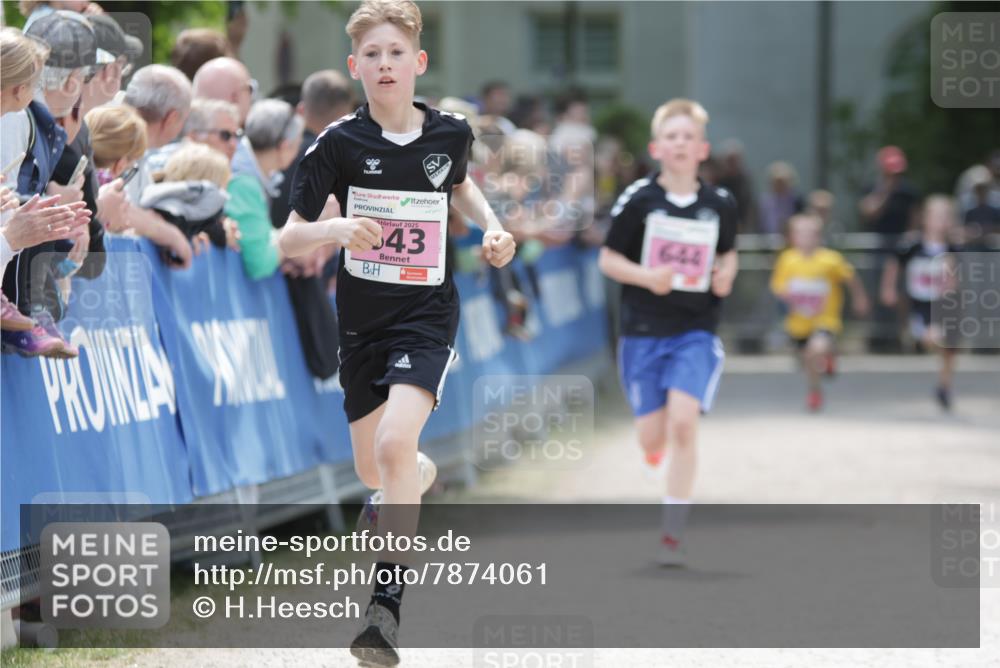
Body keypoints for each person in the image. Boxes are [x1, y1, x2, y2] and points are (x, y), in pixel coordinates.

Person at [279, 1, 515, 663]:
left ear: (419, 62)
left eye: (395, 53)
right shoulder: (338, 145)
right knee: (375, 465)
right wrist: (334, 228)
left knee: (391, 442)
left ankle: (384, 609)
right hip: (360, 324)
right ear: (355, 68)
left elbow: (461, 189)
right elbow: (288, 234)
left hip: (426, 315)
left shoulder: (451, 133)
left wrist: (492, 226)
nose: (384, 65)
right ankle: (413, 475)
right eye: (371, 56)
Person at [598, 98, 738, 568]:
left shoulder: (719, 204)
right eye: (672, 137)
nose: (680, 144)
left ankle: (673, 530)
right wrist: (647, 277)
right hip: (642, 332)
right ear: (658, 147)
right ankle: (653, 453)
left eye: (688, 137)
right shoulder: (638, 199)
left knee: (684, 423)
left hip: (695, 329)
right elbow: (608, 259)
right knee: (651, 438)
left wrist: (725, 274)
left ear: (702, 149)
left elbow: (729, 253)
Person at [770, 213, 869, 411]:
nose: (805, 238)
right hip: (798, 323)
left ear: (818, 236)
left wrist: (860, 299)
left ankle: (815, 390)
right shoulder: (787, 259)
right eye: (800, 234)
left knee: (815, 349)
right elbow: (778, 286)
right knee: (807, 358)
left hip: (826, 320)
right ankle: (820, 376)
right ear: (792, 237)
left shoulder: (830, 260)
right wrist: (789, 294)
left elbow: (850, 278)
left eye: (810, 234)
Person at [880, 195, 961, 411]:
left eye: (945, 216)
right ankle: (919, 338)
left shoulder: (952, 249)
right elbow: (894, 263)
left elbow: (956, 280)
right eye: (936, 215)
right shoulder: (912, 245)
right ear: (925, 218)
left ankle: (944, 386)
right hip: (920, 306)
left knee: (949, 349)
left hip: (944, 306)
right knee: (933, 338)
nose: (941, 221)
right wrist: (888, 288)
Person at [121, 64, 196, 268]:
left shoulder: (139, 149)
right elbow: (114, 209)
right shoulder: (114, 138)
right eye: (183, 120)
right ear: (171, 118)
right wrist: (171, 236)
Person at [227, 98, 303, 280]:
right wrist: (296, 236)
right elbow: (260, 262)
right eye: (298, 145)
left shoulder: (247, 172)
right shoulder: (244, 183)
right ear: (285, 146)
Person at [758, 160, 803, 235]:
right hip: (767, 240)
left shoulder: (797, 201)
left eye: (782, 182)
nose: (780, 186)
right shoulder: (764, 202)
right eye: (777, 182)